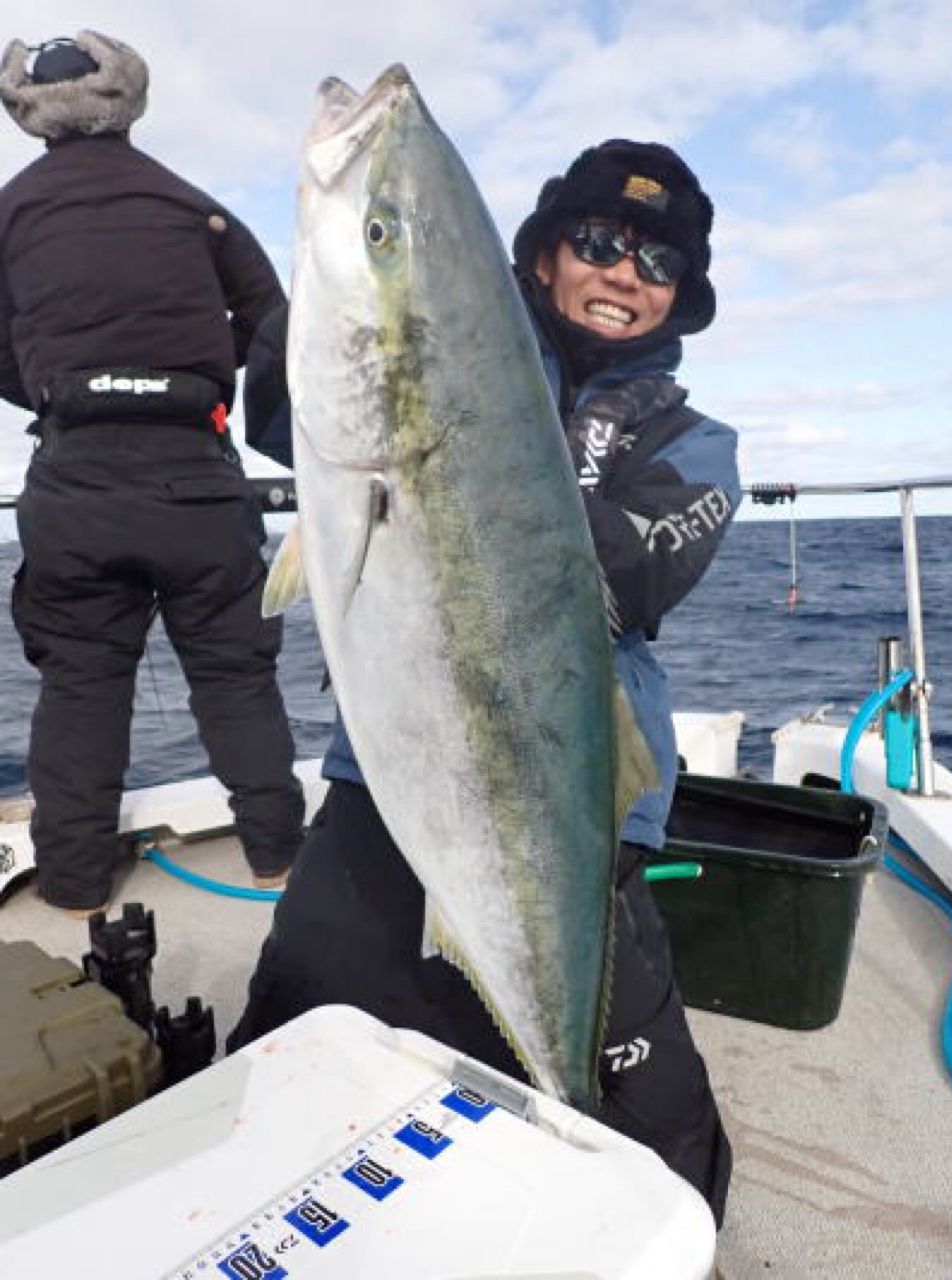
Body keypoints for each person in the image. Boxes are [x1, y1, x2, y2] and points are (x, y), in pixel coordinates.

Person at [229, 139, 739, 1225]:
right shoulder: (447, 340)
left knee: (658, 1132)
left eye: (656, 261)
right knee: (286, 1044)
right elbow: (284, 414)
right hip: (391, 767)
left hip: (580, 798)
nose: (623, 273)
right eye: (599, 242)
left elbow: (639, 569)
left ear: (678, 296)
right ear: (547, 255)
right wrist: (338, 291)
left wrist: (472, 423)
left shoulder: (693, 443)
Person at [0, 31, 305, 917]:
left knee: (81, 683)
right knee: (235, 680)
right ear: (128, 99)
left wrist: (64, 389)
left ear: (30, 109)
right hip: (195, 477)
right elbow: (273, 318)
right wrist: (202, 372)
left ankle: (73, 885)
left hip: (75, 476)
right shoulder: (191, 205)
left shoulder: (12, 213)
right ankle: (279, 859)